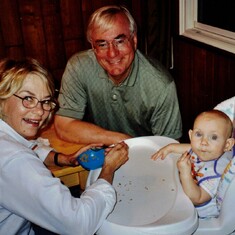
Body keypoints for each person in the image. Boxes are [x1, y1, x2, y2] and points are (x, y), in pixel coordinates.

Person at [0, 58, 129, 235]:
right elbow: (80, 224)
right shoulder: (16, 161)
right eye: (28, 98)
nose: (39, 112)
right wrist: (109, 168)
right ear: (2, 97)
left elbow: (29, 147)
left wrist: (63, 158)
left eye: (45, 101)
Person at [54, 5, 182, 146]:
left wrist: (131, 148)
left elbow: (169, 147)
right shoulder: (79, 66)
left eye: (119, 41)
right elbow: (63, 125)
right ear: (93, 48)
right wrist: (122, 141)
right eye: (102, 44)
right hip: (97, 149)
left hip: (144, 156)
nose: (112, 53)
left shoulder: (160, 85)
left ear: (134, 41)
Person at [152, 110, 234, 219]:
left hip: (196, 214)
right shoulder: (206, 150)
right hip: (182, 193)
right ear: (191, 135)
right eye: (199, 134)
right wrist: (169, 148)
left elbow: (197, 198)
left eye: (213, 137)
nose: (203, 142)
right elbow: (189, 148)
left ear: (227, 145)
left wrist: (185, 173)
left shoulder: (217, 173)